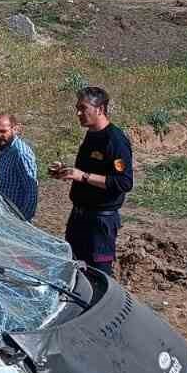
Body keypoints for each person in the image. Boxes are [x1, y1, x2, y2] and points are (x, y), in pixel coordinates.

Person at [50, 85, 133, 270]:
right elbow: (87, 172)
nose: (78, 113)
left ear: (100, 109)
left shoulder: (115, 140)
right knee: (74, 270)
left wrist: (84, 176)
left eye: (83, 108)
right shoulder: (91, 135)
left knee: (97, 274)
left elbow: (124, 182)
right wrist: (67, 171)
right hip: (79, 217)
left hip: (99, 223)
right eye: (77, 108)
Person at [0, 112, 39, 221]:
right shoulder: (6, 148)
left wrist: (22, 221)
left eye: (3, 131)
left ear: (15, 129)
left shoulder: (21, 153)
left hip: (14, 219)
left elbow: (31, 191)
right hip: (3, 215)